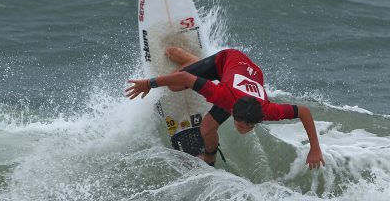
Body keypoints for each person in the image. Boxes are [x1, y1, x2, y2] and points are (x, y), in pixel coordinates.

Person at [126, 47, 325, 169]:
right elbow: (183, 78)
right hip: (228, 60)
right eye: (242, 125)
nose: (245, 129)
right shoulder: (220, 94)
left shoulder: (267, 110)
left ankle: (210, 155)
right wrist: (148, 83)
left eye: (250, 126)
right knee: (174, 86)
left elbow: (303, 112)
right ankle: (191, 60)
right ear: (233, 113)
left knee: (206, 128)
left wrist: (315, 148)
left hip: (249, 73)